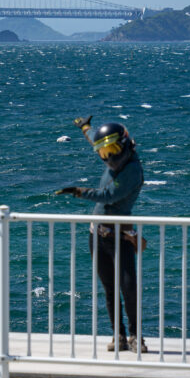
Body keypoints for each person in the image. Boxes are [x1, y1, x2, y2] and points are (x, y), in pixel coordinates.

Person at [56, 115, 146, 353]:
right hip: (97, 234)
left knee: (128, 288)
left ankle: (137, 336)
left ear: (125, 144)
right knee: (109, 288)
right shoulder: (109, 153)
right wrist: (86, 128)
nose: (108, 156)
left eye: (112, 150)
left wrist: (78, 191)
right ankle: (119, 335)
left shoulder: (132, 170)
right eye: (103, 152)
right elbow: (97, 140)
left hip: (120, 235)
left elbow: (108, 196)